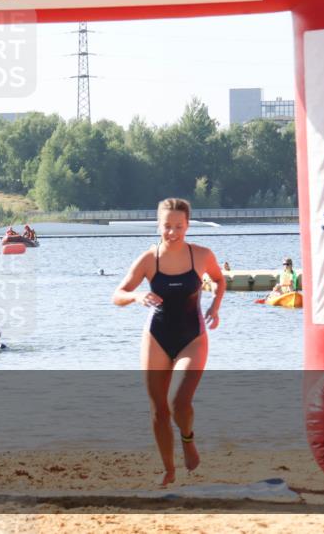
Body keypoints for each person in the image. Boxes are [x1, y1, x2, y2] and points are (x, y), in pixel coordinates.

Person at [112, 197, 225, 487]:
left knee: (179, 401)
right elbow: (118, 294)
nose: (172, 232)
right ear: (158, 225)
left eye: (178, 226)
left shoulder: (201, 255)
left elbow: (219, 280)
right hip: (156, 335)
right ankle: (168, 468)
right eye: (167, 226)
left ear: (187, 226)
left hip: (193, 337)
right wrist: (137, 296)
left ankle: (187, 439)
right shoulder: (149, 259)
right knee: (158, 408)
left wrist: (215, 306)